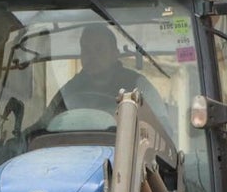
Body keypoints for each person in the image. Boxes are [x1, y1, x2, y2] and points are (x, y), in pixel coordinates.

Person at [37, 23, 168, 129]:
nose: (92, 56)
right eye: (86, 50)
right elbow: (44, 126)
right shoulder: (69, 90)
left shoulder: (138, 86)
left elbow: (163, 129)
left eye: (99, 49)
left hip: (125, 158)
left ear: (115, 53)